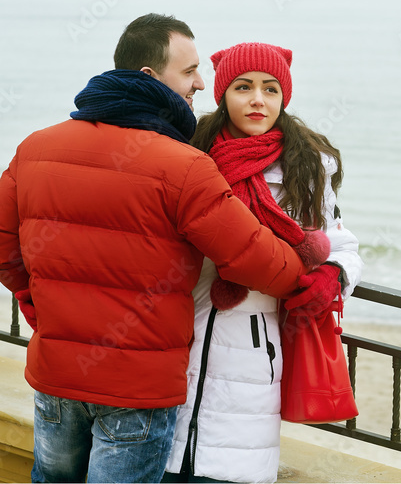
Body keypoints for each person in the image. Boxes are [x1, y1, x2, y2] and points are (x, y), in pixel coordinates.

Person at [0, 15, 326, 483]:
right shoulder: (184, 166)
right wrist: (309, 264)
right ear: (149, 77)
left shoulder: (38, 147)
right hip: (137, 388)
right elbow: (260, 263)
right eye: (189, 72)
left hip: (57, 375)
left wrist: (42, 305)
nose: (202, 83)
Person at [163, 43, 364, 483]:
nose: (258, 99)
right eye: (244, 87)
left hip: (256, 350)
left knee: (231, 469)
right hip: (182, 334)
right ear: (223, 94)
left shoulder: (308, 165)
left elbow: (340, 245)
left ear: (283, 97)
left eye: (270, 89)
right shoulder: (192, 152)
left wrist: (332, 276)